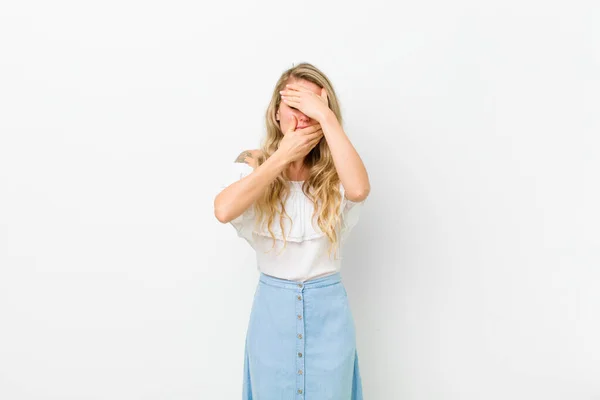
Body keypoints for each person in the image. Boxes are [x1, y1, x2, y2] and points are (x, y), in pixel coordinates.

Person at [214, 62, 370, 399]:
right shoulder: (253, 164)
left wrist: (327, 120)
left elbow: (358, 190)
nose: (303, 118)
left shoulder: (335, 174)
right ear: (276, 113)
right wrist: (282, 157)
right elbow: (224, 210)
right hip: (273, 318)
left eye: (314, 109)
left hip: (329, 317)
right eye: (295, 106)